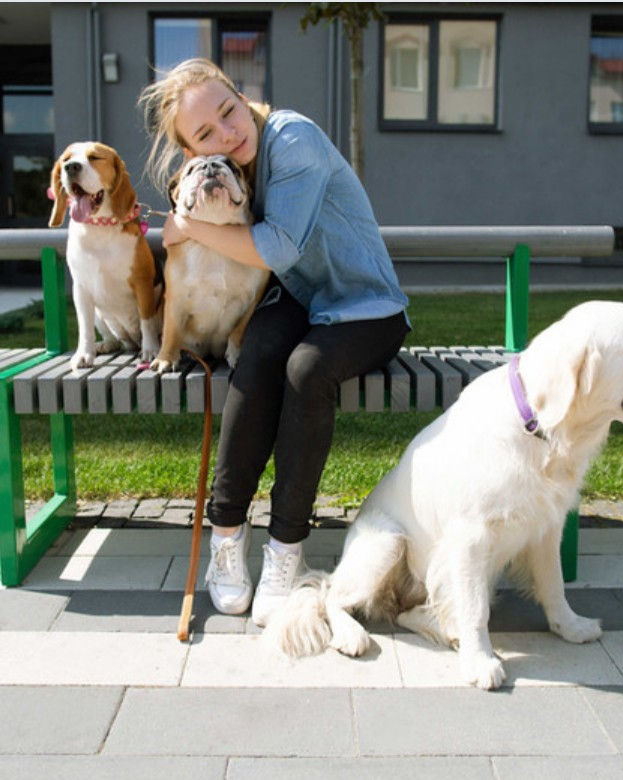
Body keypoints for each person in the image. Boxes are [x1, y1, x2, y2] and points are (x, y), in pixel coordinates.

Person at [138, 58, 409, 626]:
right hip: (301, 300)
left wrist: (188, 226)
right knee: (257, 355)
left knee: (306, 371)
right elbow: (182, 226)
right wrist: (184, 220)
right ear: (192, 151)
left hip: (366, 305)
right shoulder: (229, 166)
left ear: (243, 97)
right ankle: (227, 536)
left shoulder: (292, 138)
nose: (227, 133)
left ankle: (286, 548)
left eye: (228, 112)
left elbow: (278, 247)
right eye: (205, 134)